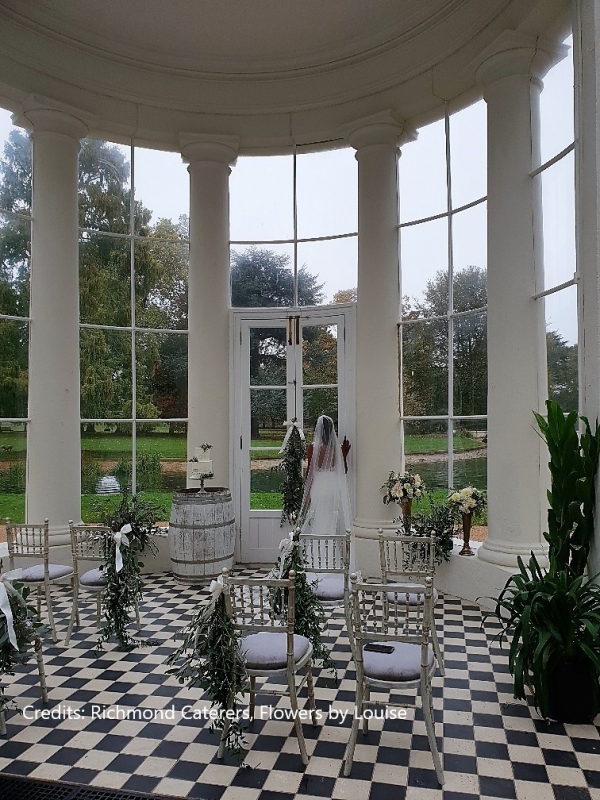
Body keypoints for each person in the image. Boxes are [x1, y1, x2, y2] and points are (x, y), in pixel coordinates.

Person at [297, 415, 351, 539]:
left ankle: (317, 551)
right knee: (330, 518)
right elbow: (344, 470)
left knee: (319, 517)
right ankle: (330, 549)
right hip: (332, 485)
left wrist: (307, 492)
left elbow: (310, 472)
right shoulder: (337, 448)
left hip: (319, 485)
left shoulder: (313, 448)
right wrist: (344, 455)